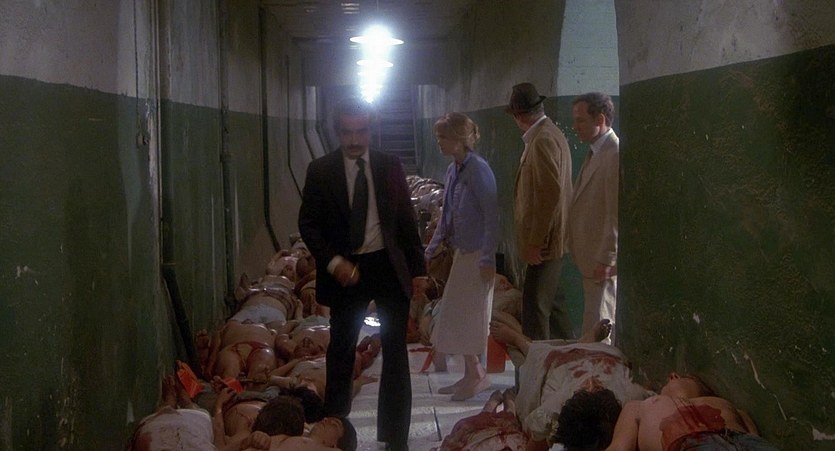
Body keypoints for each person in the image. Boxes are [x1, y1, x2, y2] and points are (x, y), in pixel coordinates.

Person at [297, 96, 426, 450]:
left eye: (361, 131)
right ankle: (336, 434)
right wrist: (333, 262)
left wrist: (418, 270)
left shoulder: (389, 166)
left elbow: (406, 220)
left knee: (395, 353)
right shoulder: (321, 171)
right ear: (336, 131)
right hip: (345, 270)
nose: (354, 140)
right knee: (341, 350)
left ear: (372, 129)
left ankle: (395, 439)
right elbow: (308, 224)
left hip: (387, 266)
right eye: (347, 132)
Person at [423, 112, 499, 401]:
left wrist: (487, 259)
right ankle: (469, 372)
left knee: (471, 314)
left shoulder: (479, 169)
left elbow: (491, 216)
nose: (439, 142)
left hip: (477, 253)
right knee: (455, 313)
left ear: (459, 139)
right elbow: (447, 214)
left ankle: (477, 374)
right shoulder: (453, 170)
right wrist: (431, 248)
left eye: (443, 137)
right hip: (462, 252)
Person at [489, 320, 652, 450]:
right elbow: (536, 439)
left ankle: (586, 342)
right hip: (563, 362)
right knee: (536, 356)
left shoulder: (631, 402)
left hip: (604, 355)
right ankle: (519, 340)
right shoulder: (551, 412)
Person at [506, 82, 574, 341]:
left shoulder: (542, 140)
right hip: (551, 238)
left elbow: (549, 194)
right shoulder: (548, 134)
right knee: (553, 305)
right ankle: (567, 355)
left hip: (544, 243)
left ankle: (537, 363)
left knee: (534, 306)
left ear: (518, 116)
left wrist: (535, 242)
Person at [604, 373, 779, 451]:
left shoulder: (727, 405)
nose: (673, 376)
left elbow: (755, 438)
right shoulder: (638, 406)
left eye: (684, 377)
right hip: (688, 444)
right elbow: (618, 448)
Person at [569, 92, 619, 345]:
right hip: (590, 259)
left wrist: (607, 258)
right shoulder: (596, 152)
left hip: (601, 262)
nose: (575, 127)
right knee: (592, 324)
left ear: (600, 119)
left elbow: (614, 213)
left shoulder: (613, 154)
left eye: (581, 120)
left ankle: (597, 369)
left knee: (600, 328)